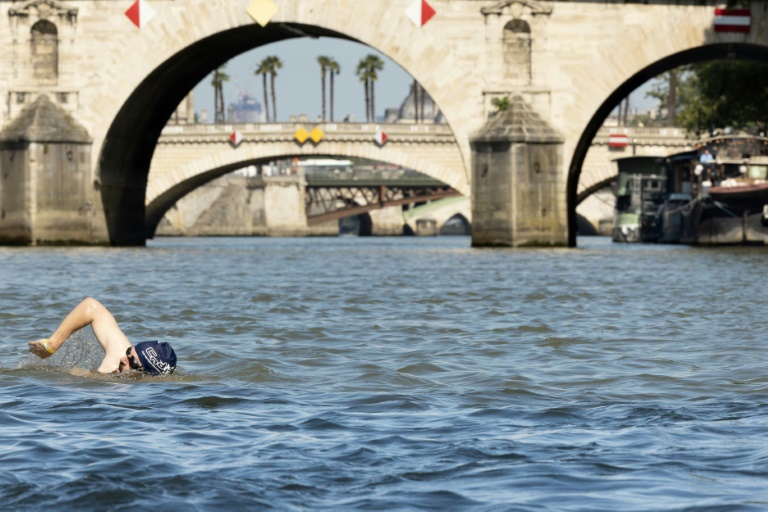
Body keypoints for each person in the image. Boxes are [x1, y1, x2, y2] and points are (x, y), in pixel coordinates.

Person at [28, 297, 177, 375]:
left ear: (145, 375)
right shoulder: (119, 354)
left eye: (133, 362)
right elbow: (92, 306)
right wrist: (52, 345)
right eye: (129, 352)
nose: (123, 359)